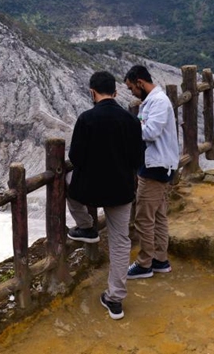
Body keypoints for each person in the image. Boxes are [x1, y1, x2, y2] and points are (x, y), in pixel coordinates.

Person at [66, 71, 144, 320]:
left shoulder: (86, 119)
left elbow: (76, 157)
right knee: (121, 241)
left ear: (92, 92)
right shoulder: (130, 120)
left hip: (90, 189)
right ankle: (115, 299)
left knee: (68, 189)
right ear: (116, 92)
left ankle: (86, 227)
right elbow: (137, 158)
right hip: (121, 189)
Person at [123, 65, 179, 279]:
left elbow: (150, 131)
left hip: (155, 167)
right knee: (158, 215)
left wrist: (128, 128)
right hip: (159, 165)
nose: (132, 93)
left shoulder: (158, 102)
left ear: (139, 82)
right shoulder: (155, 101)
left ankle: (145, 263)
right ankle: (160, 259)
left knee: (144, 218)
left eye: (132, 88)